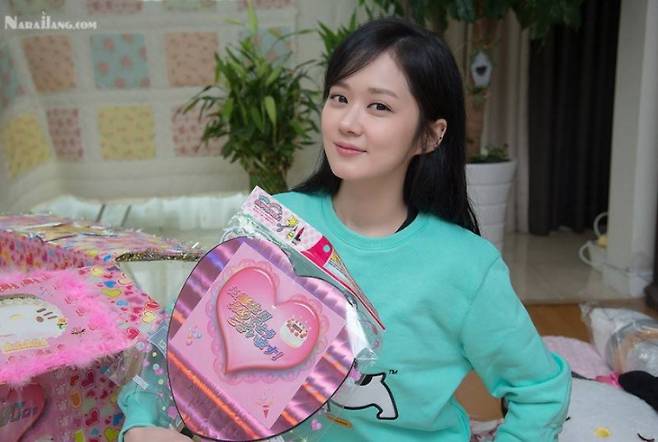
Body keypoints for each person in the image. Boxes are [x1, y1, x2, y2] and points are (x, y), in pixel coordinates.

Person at [120, 17, 571, 442]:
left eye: (379, 106)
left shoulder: (466, 266)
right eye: (339, 98)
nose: (348, 123)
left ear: (430, 136)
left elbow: (540, 392)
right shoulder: (278, 223)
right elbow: (187, 349)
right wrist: (141, 424)